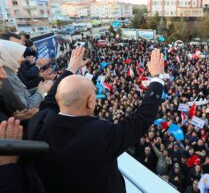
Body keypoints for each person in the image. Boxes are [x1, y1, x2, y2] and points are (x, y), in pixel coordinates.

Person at [27, 47, 165, 193]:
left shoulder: (38, 123)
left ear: (57, 99)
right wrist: (156, 77)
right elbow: (142, 117)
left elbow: (49, 100)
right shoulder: (101, 134)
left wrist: (71, 69)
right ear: (91, 102)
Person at [0, 40, 53, 116]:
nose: (23, 59)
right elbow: (27, 108)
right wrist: (41, 90)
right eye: (20, 55)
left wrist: (40, 88)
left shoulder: (11, 70)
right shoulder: (7, 77)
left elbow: (24, 93)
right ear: (10, 55)